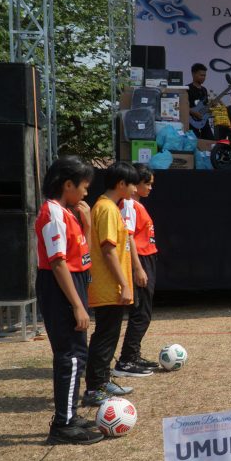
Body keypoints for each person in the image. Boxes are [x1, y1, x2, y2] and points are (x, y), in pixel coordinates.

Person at [35, 156, 103, 445]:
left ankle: (70, 415)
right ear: (67, 184)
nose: (86, 193)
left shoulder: (67, 213)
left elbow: (79, 253)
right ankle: (63, 424)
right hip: (59, 287)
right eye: (84, 186)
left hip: (72, 283)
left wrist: (85, 223)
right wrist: (76, 304)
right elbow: (58, 262)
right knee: (71, 356)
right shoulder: (52, 213)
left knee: (77, 353)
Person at [83, 162, 142, 407]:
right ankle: (94, 388)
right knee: (105, 336)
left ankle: (103, 380)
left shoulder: (109, 207)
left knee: (109, 334)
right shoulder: (106, 209)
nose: (136, 190)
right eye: (132, 185)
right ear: (120, 184)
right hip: (108, 287)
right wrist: (124, 284)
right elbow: (108, 251)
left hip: (111, 286)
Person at [116, 164, 159, 374]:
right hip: (140, 259)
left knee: (144, 312)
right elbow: (128, 237)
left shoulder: (137, 205)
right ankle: (126, 360)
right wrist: (137, 268)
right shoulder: (129, 205)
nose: (150, 188)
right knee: (140, 313)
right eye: (147, 183)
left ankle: (133, 355)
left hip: (147, 257)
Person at [187, 63, 215, 140]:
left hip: (203, 121)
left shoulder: (204, 90)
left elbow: (204, 106)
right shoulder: (187, 88)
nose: (203, 77)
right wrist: (194, 113)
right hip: (191, 122)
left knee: (210, 141)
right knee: (193, 142)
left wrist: (211, 107)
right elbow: (183, 106)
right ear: (193, 74)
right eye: (201, 75)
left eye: (204, 75)